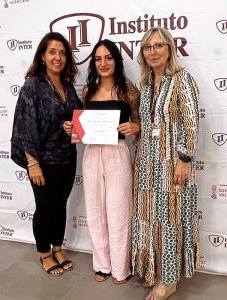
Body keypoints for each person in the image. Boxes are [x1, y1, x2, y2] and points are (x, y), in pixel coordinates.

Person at [131, 27, 200, 300]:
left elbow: (192, 123)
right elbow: (147, 125)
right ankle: (152, 269)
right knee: (149, 219)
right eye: (148, 47)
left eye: (159, 45)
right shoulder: (145, 85)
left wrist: (185, 159)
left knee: (170, 221)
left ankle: (169, 280)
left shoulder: (182, 79)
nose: (153, 51)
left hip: (173, 164)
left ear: (170, 49)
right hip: (146, 165)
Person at [65, 39, 140, 284]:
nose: (103, 63)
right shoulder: (88, 91)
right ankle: (102, 264)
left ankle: (121, 268)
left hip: (117, 153)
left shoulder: (129, 90)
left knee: (118, 210)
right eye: (98, 58)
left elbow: (141, 124)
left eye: (108, 58)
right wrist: (71, 127)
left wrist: (134, 126)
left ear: (116, 61)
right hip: (91, 154)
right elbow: (81, 124)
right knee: (95, 210)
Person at [10, 32, 82, 276]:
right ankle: (44, 253)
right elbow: (24, 124)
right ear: (42, 55)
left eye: (62, 53)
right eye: (52, 52)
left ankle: (58, 248)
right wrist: (33, 164)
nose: (58, 57)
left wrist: (70, 125)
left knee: (60, 204)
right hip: (43, 160)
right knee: (45, 207)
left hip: (67, 157)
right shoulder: (33, 85)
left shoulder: (68, 86)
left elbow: (73, 118)